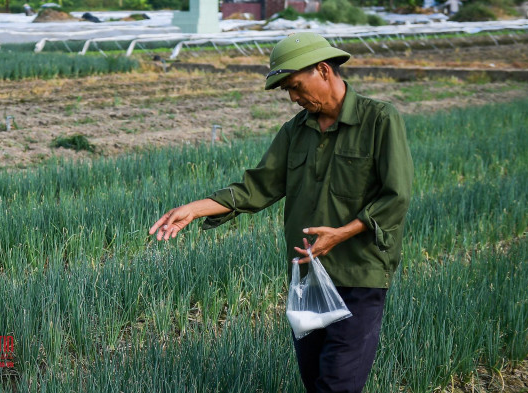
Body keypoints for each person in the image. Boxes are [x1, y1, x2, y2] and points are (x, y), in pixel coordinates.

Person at [149, 32, 413, 393]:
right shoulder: (295, 131)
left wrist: (342, 233)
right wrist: (194, 209)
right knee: (314, 378)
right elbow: (257, 188)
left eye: (295, 85)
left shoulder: (379, 120)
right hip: (306, 276)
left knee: (337, 383)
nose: (292, 97)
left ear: (323, 70)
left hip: (359, 274)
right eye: (286, 90)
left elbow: (395, 196)